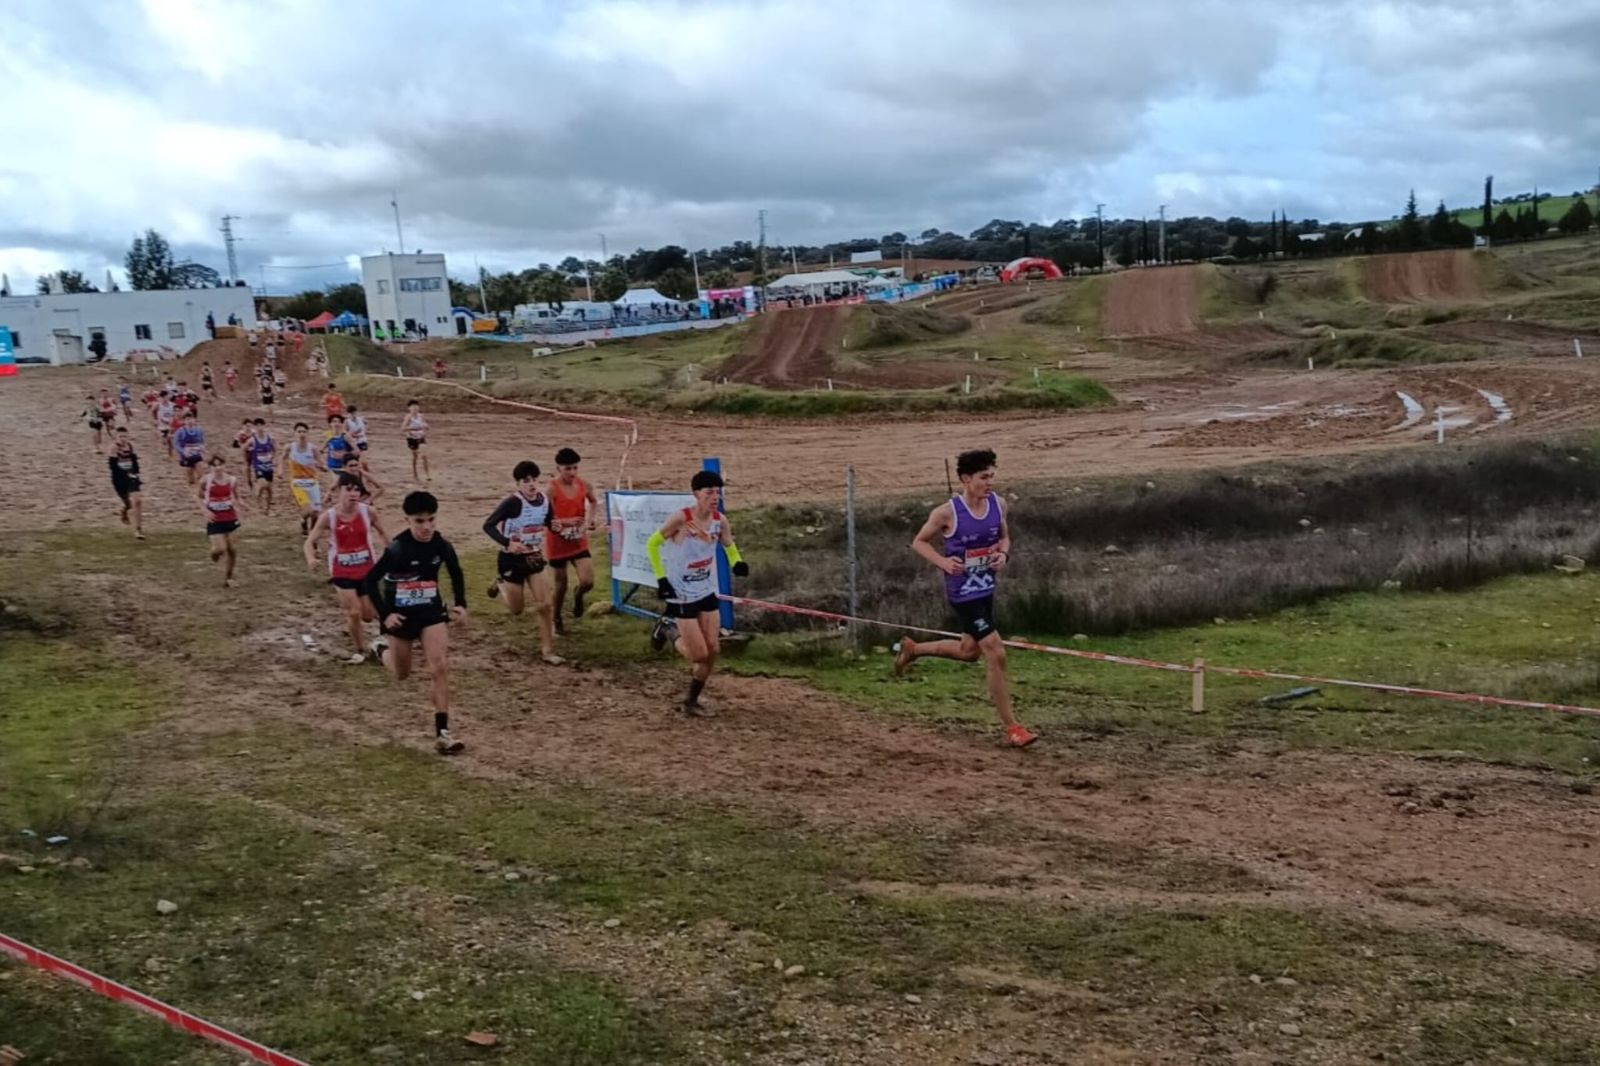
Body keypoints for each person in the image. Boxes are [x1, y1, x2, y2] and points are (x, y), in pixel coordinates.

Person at [891, 448, 1037, 748]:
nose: (990, 482)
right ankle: (1013, 728)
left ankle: (913, 649)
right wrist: (944, 563)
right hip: (963, 593)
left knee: (969, 651)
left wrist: (1003, 554)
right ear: (966, 479)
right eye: (984, 477)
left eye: (992, 476)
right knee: (995, 651)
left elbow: (1004, 538)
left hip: (986, 588)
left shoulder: (999, 504)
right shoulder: (947, 512)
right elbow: (919, 542)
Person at [364, 491, 469, 755]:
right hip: (401, 617)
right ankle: (380, 649)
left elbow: (456, 572)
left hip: (431, 612)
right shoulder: (397, 549)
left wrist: (460, 604)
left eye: (431, 519)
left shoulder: (441, 545)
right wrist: (386, 614)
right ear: (407, 520)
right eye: (419, 521)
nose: (426, 527)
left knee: (440, 666)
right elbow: (370, 581)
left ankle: (443, 733)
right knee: (402, 673)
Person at [645, 469, 748, 717]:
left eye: (718, 493)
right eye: (709, 492)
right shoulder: (681, 518)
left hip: (706, 589)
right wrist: (661, 578)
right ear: (696, 494)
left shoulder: (720, 521)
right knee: (698, 654)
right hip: (681, 593)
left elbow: (728, 544)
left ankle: (691, 701)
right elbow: (652, 543)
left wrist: (737, 563)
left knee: (712, 651)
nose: (715, 497)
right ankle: (667, 628)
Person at [482, 461, 561, 664]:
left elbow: (549, 522)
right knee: (517, 610)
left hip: (533, 556)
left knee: (545, 605)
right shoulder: (512, 503)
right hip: (510, 560)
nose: (532, 484)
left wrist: (556, 526)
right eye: (526, 481)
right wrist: (508, 543)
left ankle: (547, 651)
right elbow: (488, 525)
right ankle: (501, 583)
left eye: (534, 480)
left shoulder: (544, 500)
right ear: (518, 484)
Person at [305, 472, 389, 664]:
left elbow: (383, 534)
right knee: (354, 612)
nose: (353, 493)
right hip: (341, 571)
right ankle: (360, 651)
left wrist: (391, 552)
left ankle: (379, 637)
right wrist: (311, 558)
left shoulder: (368, 512)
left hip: (367, 570)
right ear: (338, 492)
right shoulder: (329, 517)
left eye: (357, 489)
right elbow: (309, 541)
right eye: (348, 489)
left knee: (368, 616)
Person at [546, 447, 600, 633]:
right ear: (558, 468)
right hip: (557, 542)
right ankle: (556, 618)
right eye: (568, 468)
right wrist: (567, 521)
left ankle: (579, 595)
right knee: (561, 586)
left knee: (588, 581)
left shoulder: (583, 484)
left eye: (575, 468)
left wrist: (590, 520)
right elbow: (547, 518)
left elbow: (594, 502)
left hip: (578, 541)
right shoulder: (551, 489)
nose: (572, 473)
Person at [197, 454, 245, 588]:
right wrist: (205, 510)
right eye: (214, 465)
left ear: (224, 465)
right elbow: (199, 497)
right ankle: (214, 554)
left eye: (220, 465)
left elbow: (236, 496)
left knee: (232, 549)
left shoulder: (232, 480)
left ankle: (229, 578)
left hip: (230, 516)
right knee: (220, 549)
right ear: (210, 467)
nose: (217, 468)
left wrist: (242, 504)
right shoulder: (205, 480)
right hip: (215, 518)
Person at [283, 422, 325, 534]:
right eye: (299, 431)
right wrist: (280, 470)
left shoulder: (313, 448)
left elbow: (321, 463)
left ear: (307, 433)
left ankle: (312, 532)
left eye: (304, 432)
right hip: (297, 482)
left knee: (316, 513)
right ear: (295, 433)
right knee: (308, 510)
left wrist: (322, 467)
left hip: (312, 482)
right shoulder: (290, 447)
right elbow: (281, 458)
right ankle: (303, 520)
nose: (302, 434)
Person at [107, 427, 145, 540]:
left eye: (125, 436)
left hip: (132, 478)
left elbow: (135, 462)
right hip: (119, 480)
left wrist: (136, 474)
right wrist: (126, 474)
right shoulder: (113, 448)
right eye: (120, 436)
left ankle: (138, 529)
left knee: (137, 501)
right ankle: (124, 511)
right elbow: (113, 467)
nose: (123, 439)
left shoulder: (130, 446)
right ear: (116, 437)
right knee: (128, 503)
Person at [244, 418, 276, 514]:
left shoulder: (270, 437)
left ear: (264, 426)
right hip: (258, 466)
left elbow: (275, 449)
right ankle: (259, 505)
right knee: (263, 485)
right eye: (257, 426)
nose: (259, 428)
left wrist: (273, 458)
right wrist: (247, 460)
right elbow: (244, 448)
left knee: (269, 489)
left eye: (261, 425)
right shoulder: (253, 439)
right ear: (255, 427)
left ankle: (267, 508)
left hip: (268, 466)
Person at [172, 409, 207, 485]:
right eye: (187, 419)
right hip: (186, 457)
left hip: (197, 455)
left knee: (201, 475)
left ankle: (200, 488)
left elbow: (202, 441)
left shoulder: (199, 430)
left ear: (194, 420)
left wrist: (202, 448)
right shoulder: (180, 431)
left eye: (191, 419)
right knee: (190, 480)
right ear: (184, 421)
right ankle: (192, 486)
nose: (189, 421)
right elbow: (175, 443)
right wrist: (182, 451)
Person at [402, 399, 430, 481]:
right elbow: (403, 428)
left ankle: (427, 475)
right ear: (409, 408)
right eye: (413, 406)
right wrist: (415, 428)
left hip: (421, 437)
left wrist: (425, 427)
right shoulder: (408, 417)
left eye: (416, 406)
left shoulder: (421, 416)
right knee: (415, 457)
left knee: (424, 455)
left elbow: (426, 426)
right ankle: (415, 473)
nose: (415, 408)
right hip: (412, 438)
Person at [323, 414, 356, 485]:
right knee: (337, 485)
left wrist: (345, 455)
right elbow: (322, 450)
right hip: (332, 466)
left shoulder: (345, 436)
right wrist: (325, 462)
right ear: (330, 424)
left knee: (343, 486)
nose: (336, 424)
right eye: (334, 421)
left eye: (339, 422)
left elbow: (356, 450)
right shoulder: (329, 437)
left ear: (341, 424)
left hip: (344, 467)